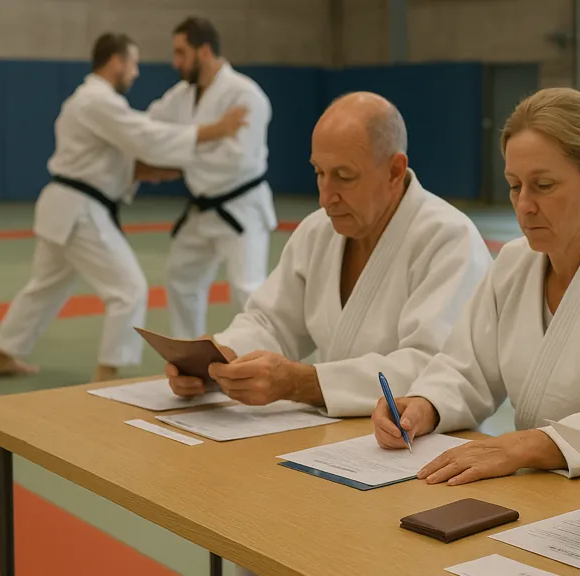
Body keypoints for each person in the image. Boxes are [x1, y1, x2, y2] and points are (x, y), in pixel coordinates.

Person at [371, 87, 580, 485]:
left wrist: (526, 446)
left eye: (543, 185)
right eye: (515, 186)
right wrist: (422, 406)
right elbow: (466, 370)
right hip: (532, 484)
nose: (524, 205)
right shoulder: (514, 264)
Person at [164, 92, 492, 415]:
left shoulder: (448, 239)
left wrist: (301, 384)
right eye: (319, 172)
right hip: (334, 438)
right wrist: (221, 358)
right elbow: (271, 322)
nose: (325, 197)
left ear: (394, 171)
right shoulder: (318, 230)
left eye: (344, 176)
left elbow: (433, 369)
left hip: (419, 446)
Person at [0, 33, 247, 382]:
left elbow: (121, 155)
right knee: (129, 290)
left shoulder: (91, 101)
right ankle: (109, 372)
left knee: (46, 285)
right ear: (116, 62)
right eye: (133, 63)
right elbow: (144, 137)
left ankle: (3, 354)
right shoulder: (97, 101)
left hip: (65, 207)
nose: (136, 72)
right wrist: (214, 131)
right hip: (79, 210)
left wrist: (157, 168)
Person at [147, 17, 277, 340]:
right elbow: (150, 131)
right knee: (181, 278)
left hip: (240, 207)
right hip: (202, 208)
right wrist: (206, 137)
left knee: (247, 292)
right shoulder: (181, 95)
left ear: (204, 51)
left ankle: (268, 365)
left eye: (181, 53)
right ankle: (191, 357)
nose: (175, 62)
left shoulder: (246, 96)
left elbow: (236, 160)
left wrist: (178, 152)